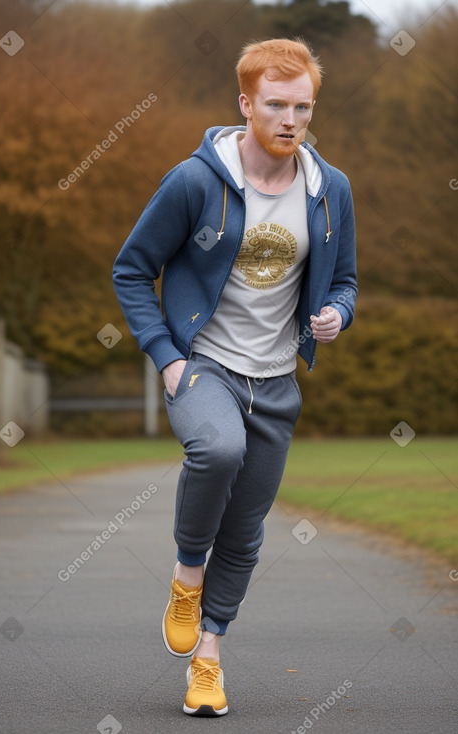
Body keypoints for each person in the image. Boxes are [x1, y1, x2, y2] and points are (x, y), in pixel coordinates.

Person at [113, 37, 357, 717]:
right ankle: (187, 573)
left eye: (301, 107)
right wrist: (167, 356)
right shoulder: (194, 181)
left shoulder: (328, 189)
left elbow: (343, 280)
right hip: (206, 365)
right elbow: (131, 269)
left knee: (246, 532)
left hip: (277, 379)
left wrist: (335, 311)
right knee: (216, 449)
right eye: (275, 105)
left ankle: (208, 661)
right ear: (245, 103)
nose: (289, 119)